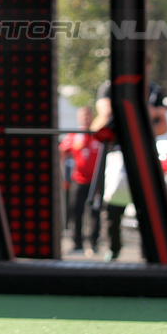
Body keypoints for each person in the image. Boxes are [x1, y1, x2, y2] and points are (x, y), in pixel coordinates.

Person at [92, 65, 167, 261]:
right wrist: (148, 112)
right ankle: (114, 249)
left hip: (146, 156)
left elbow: (163, 125)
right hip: (118, 156)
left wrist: (137, 114)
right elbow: (107, 115)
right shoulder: (109, 87)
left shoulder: (154, 90)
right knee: (112, 207)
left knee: (147, 208)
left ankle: (148, 253)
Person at [59, 106, 101, 256]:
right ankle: (77, 243)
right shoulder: (73, 135)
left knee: (95, 212)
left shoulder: (98, 134)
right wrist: (63, 176)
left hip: (96, 182)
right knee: (76, 212)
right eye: (83, 115)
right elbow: (61, 153)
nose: (86, 118)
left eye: (88, 115)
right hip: (78, 180)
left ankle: (93, 244)